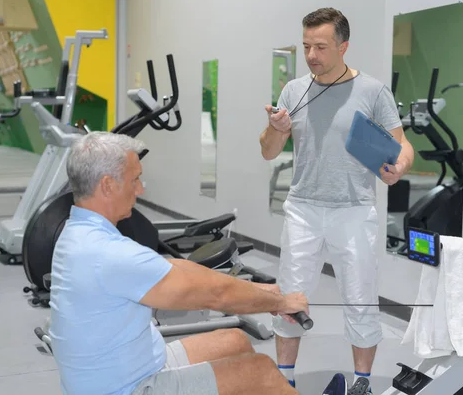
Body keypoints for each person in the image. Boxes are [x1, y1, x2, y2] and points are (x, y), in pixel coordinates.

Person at [48, 131, 354, 395]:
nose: (141, 189)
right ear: (107, 185)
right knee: (260, 370)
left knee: (234, 340)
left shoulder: (78, 232)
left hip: (131, 364)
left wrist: (268, 295)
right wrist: (280, 302)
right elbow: (214, 296)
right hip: (129, 387)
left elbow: (179, 270)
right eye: (135, 179)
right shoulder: (107, 253)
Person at [259, 7, 415, 394]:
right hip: (303, 208)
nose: (312, 55)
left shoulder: (373, 91)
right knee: (291, 297)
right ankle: (286, 379)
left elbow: (401, 145)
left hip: (353, 208)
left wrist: (400, 166)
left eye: (321, 46)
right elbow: (267, 151)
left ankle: (361, 382)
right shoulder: (293, 91)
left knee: (360, 297)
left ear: (344, 46)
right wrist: (275, 129)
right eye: (307, 46)